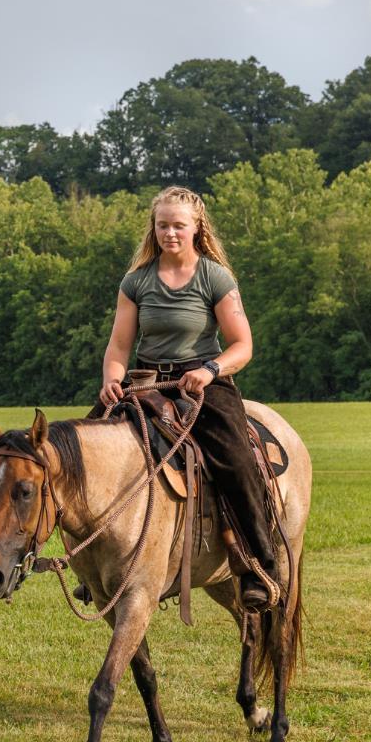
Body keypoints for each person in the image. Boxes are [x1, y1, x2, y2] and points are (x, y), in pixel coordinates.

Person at [98, 185, 280, 611]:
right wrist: (112, 378)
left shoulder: (215, 277)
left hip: (203, 383)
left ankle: (259, 566)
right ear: (154, 228)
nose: (170, 233)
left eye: (178, 225)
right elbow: (119, 345)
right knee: (83, 452)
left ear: (197, 227)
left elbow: (242, 345)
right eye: (163, 225)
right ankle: (93, 566)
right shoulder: (136, 281)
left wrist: (210, 369)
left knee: (235, 457)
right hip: (144, 383)